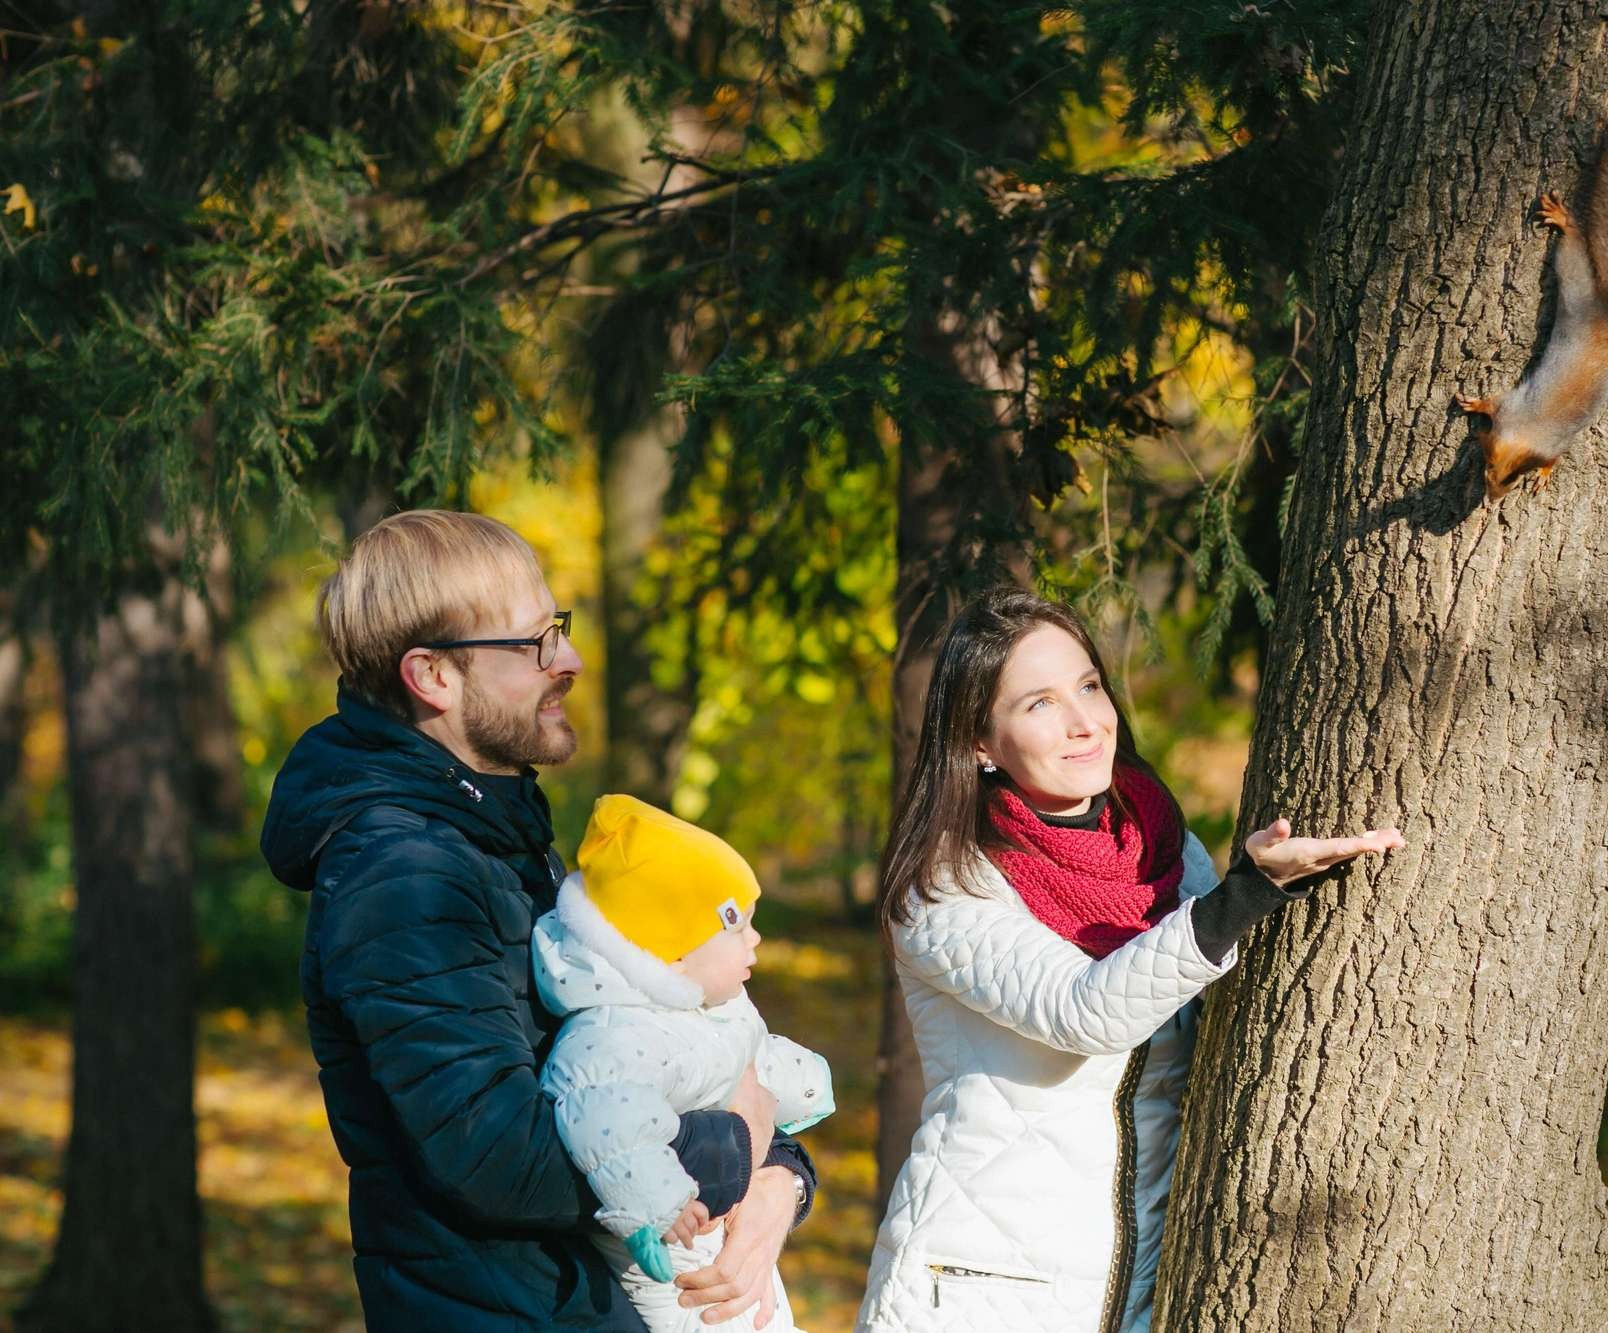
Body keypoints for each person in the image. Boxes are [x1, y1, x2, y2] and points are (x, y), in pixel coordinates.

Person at [260, 509, 814, 1331]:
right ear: (433, 676)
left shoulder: (502, 834)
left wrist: (781, 1178)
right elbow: (498, 1156)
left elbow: (648, 1030)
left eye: (559, 628)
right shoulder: (403, 871)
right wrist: (735, 1144)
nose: (571, 660)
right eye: (535, 643)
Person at [857, 588, 1404, 1332]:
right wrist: (1249, 890)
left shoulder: (1152, 838)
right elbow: (1087, 1010)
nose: (1086, 721)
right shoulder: (945, 885)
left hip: (1133, 1288)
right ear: (979, 742)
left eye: (1088, 685)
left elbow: (1218, 984)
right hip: (980, 1289)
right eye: (1040, 703)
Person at [534, 793, 834, 1332]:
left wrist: (804, 1084)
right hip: (670, 1254)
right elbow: (605, 1120)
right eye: (737, 927)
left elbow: (746, 1055)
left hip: (717, 1239)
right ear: (672, 953)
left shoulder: (704, 1005)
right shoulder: (615, 1031)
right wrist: (658, 1202)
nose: (756, 939)